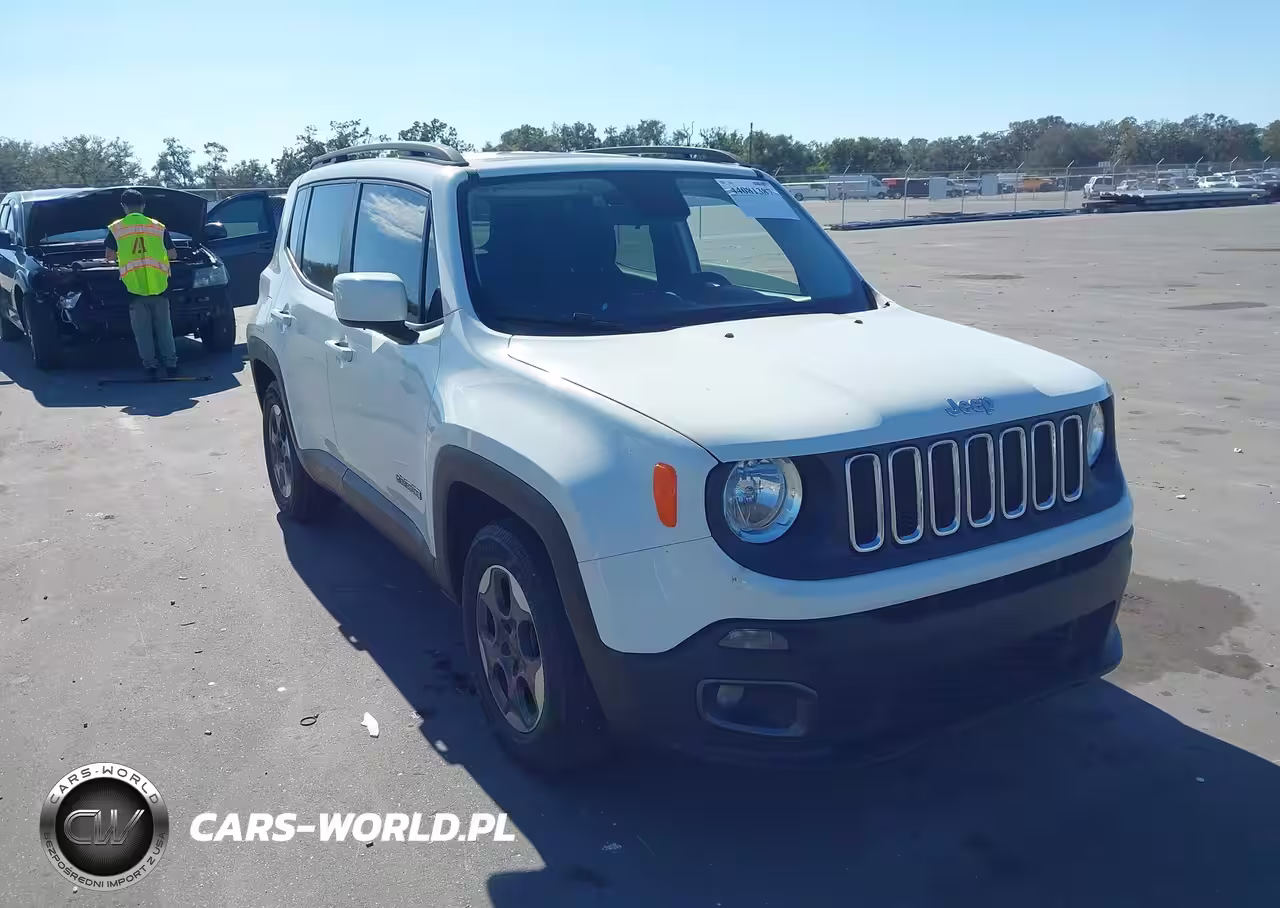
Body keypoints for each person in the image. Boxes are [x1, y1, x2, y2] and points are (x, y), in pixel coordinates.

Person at [105, 189, 179, 379]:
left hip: (134, 287)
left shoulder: (117, 228)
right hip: (159, 286)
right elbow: (172, 254)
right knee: (164, 328)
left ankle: (150, 366)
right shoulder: (157, 227)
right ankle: (171, 365)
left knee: (142, 331)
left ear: (123, 206)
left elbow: (109, 256)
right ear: (144, 205)